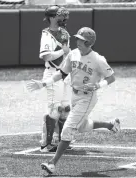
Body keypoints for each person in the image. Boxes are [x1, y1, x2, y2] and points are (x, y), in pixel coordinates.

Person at [26, 27, 120, 174]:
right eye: (77, 38)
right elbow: (61, 73)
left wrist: (98, 85)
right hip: (74, 95)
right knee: (82, 127)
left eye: (81, 40)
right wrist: (44, 83)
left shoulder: (98, 60)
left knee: (68, 129)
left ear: (89, 42)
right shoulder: (73, 54)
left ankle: (52, 163)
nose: (77, 41)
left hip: (87, 98)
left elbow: (111, 77)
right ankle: (110, 124)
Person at [38, 5, 72, 152]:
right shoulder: (46, 35)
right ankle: (46, 143)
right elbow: (46, 56)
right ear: (52, 18)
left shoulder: (65, 33)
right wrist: (62, 52)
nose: (63, 18)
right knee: (54, 110)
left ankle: (63, 141)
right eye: (59, 15)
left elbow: (67, 55)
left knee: (65, 109)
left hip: (65, 75)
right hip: (52, 73)